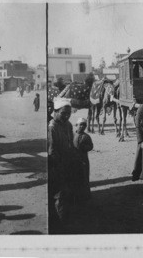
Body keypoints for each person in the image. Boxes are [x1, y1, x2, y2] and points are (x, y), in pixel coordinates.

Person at [48, 97, 81, 227]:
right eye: (63, 113)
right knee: (59, 195)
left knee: (69, 193)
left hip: (68, 164)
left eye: (69, 113)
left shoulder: (67, 125)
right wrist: (60, 167)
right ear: (55, 111)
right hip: (57, 167)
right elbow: (52, 151)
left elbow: (71, 145)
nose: (66, 116)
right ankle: (61, 224)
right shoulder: (52, 127)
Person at [73, 117, 93, 202]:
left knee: (84, 177)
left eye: (84, 125)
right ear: (76, 125)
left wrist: (85, 147)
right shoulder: (71, 135)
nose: (82, 127)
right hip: (73, 160)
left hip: (83, 160)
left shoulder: (86, 136)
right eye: (80, 125)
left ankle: (85, 196)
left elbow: (91, 146)